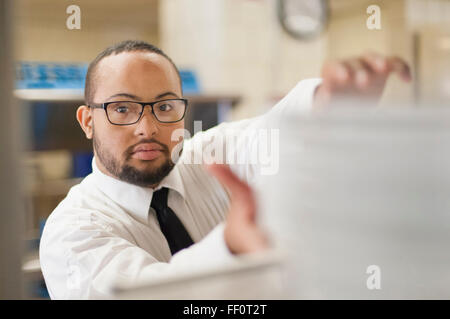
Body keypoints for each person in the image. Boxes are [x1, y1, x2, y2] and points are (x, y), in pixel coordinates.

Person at [39, 40, 411, 299]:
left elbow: (271, 132)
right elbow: (144, 294)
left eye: (165, 107)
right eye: (122, 109)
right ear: (88, 121)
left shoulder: (206, 158)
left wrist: (328, 106)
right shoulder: (71, 233)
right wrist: (229, 248)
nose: (147, 128)